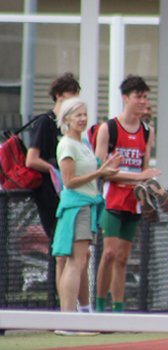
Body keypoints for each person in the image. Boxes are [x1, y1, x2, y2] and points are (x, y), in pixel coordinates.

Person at [51, 98, 122, 333]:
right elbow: (69, 182)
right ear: (66, 119)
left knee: (79, 261)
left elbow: (92, 171)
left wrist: (104, 168)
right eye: (77, 115)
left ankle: (73, 318)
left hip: (87, 206)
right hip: (77, 207)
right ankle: (68, 322)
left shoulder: (83, 144)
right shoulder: (67, 145)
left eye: (84, 114)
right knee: (75, 262)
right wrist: (100, 172)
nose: (83, 118)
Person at [94, 75, 163, 313]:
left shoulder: (147, 132)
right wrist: (135, 177)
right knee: (109, 254)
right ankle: (99, 307)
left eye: (145, 96)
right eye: (138, 96)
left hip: (133, 202)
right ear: (126, 98)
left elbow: (144, 170)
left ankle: (118, 310)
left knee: (123, 258)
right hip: (112, 200)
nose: (143, 101)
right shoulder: (109, 128)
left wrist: (152, 191)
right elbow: (102, 172)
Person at [25, 72, 93, 313]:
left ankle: (83, 309)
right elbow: (31, 159)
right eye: (70, 95)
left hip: (70, 197)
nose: (75, 99)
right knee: (63, 256)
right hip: (51, 197)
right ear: (58, 96)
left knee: (80, 257)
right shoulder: (46, 122)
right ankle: (67, 312)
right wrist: (57, 170)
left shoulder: (75, 134)